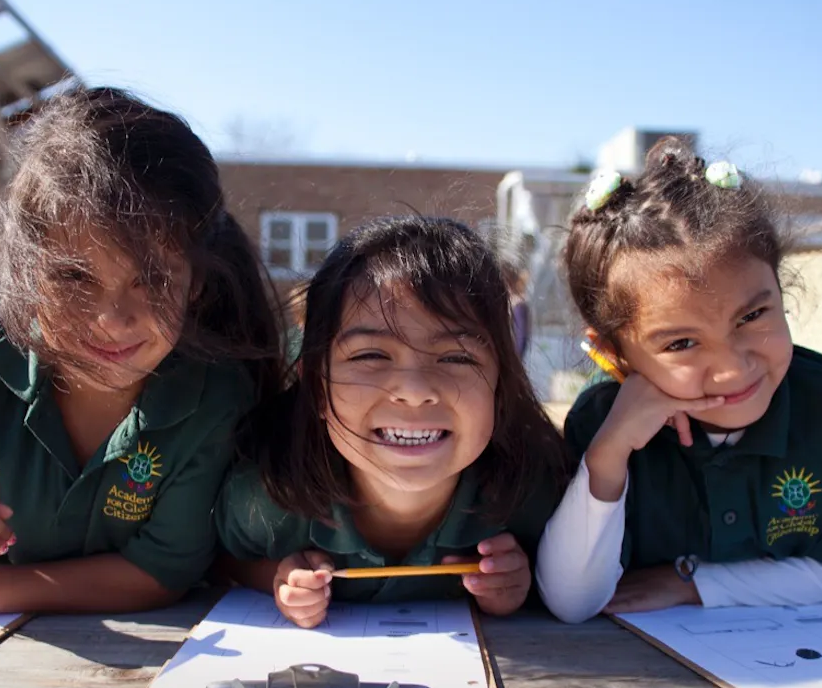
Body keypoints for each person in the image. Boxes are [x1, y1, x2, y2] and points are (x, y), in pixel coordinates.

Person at [0, 86, 281, 636]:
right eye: (75, 277)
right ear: (27, 274)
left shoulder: (213, 396)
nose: (113, 317)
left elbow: (158, 573)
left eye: (152, 278)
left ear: (196, 284)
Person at [536, 138, 822, 622]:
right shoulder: (599, 423)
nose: (732, 368)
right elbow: (572, 601)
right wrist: (607, 456)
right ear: (611, 353)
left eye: (753, 316)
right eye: (681, 343)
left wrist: (690, 583)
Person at [216, 216, 569, 627]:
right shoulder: (268, 496)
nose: (415, 390)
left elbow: (570, 580)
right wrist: (277, 577)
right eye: (370, 356)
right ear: (316, 386)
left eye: (456, 357)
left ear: (501, 386)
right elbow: (222, 560)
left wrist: (518, 583)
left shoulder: (532, 494)